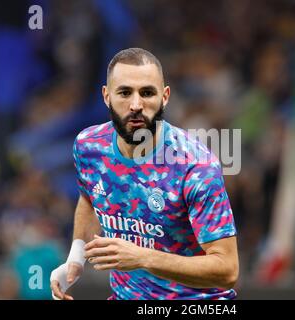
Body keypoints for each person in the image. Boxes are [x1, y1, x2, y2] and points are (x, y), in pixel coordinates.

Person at [50, 48, 239, 300]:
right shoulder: (89, 147)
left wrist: (142, 257)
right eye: (125, 92)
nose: (136, 105)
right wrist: (76, 259)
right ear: (106, 96)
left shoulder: (196, 167)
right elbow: (89, 198)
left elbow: (227, 269)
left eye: (147, 93)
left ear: (165, 97)